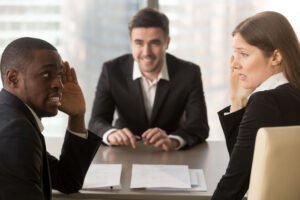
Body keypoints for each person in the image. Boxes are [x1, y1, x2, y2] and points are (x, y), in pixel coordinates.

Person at [88, 8, 209, 151]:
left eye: (155, 43)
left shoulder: (189, 73)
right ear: (131, 42)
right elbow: (96, 121)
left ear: (167, 42)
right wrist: (111, 134)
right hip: (125, 151)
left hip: (170, 154)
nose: (146, 52)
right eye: (139, 43)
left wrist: (174, 141)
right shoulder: (111, 70)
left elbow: (199, 126)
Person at [212, 11, 300, 200]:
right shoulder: (292, 92)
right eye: (234, 54)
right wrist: (237, 101)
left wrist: (238, 101)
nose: (234, 64)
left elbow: (236, 182)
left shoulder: (266, 102)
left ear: (276, 57)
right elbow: (248, 162)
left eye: (243, 54)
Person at [0, 37, 101, 200]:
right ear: (13, 79)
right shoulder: (16, 131)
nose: (59, 85)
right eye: (46, 74)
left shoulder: (15, 119)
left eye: (60, 75)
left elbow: (67, 180)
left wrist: (77, 116)